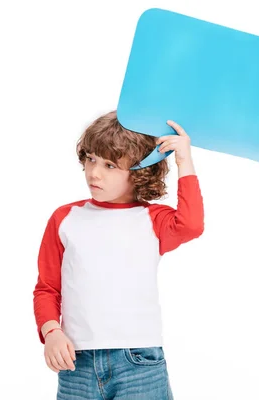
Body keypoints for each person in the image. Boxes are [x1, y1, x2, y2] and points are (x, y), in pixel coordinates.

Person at [33, 110, 204, 399]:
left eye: (110, 165)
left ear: (140, 171)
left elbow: (191, 225)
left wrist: (184, 161)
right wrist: (51, 332)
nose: (94, 172)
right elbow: (47, 288)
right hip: (77, 363)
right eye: (91, 159)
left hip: (139, 362)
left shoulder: (152, 219)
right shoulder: (65, 218)